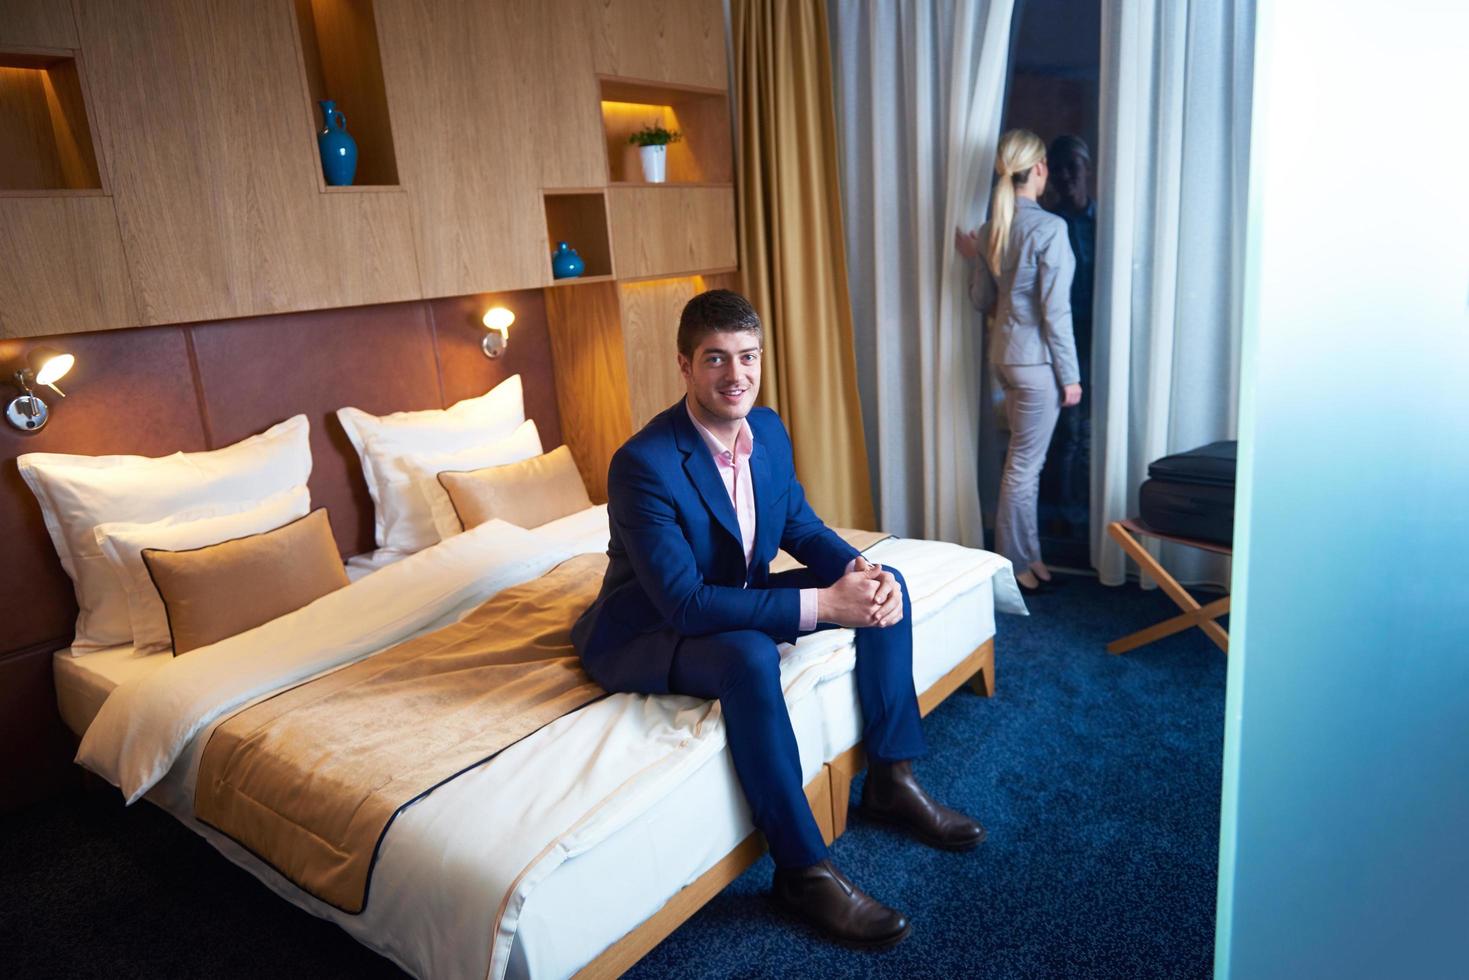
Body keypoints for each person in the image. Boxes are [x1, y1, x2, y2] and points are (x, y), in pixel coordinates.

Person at [572, 289, 984, 948]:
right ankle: (801, 870)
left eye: (747, 357)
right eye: (714, 359)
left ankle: (890, 776)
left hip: (734, 593)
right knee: (746, 654)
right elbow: (683, 602)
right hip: (648, 629)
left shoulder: (766, 430)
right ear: (683, 365)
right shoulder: (643, 464)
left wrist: (858, 572)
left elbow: (796, 523)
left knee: (885, 583)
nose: (734, 375)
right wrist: (823, 604)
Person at [955, 128, 1081, 593]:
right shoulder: (1050, 228)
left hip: (1004, 359)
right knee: (1024, 469)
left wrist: (974, 259)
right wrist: (1071, 376)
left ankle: (1030, 556)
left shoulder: (993, 229)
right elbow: (1056, 312)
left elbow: (982, 299)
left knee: (1022, 464)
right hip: (1036, 365)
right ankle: (1014, 564)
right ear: (1041, 169)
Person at [1041, 134, 1096, 535]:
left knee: (1094, 430)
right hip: (1064, 339)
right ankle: (1069, 518)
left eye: (1071, 167)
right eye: (1056, 168)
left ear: (1086, 171)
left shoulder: (1106, 223)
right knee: (1070, 431)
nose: (1063, 177)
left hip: (1102, 335)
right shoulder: (1050, 226)